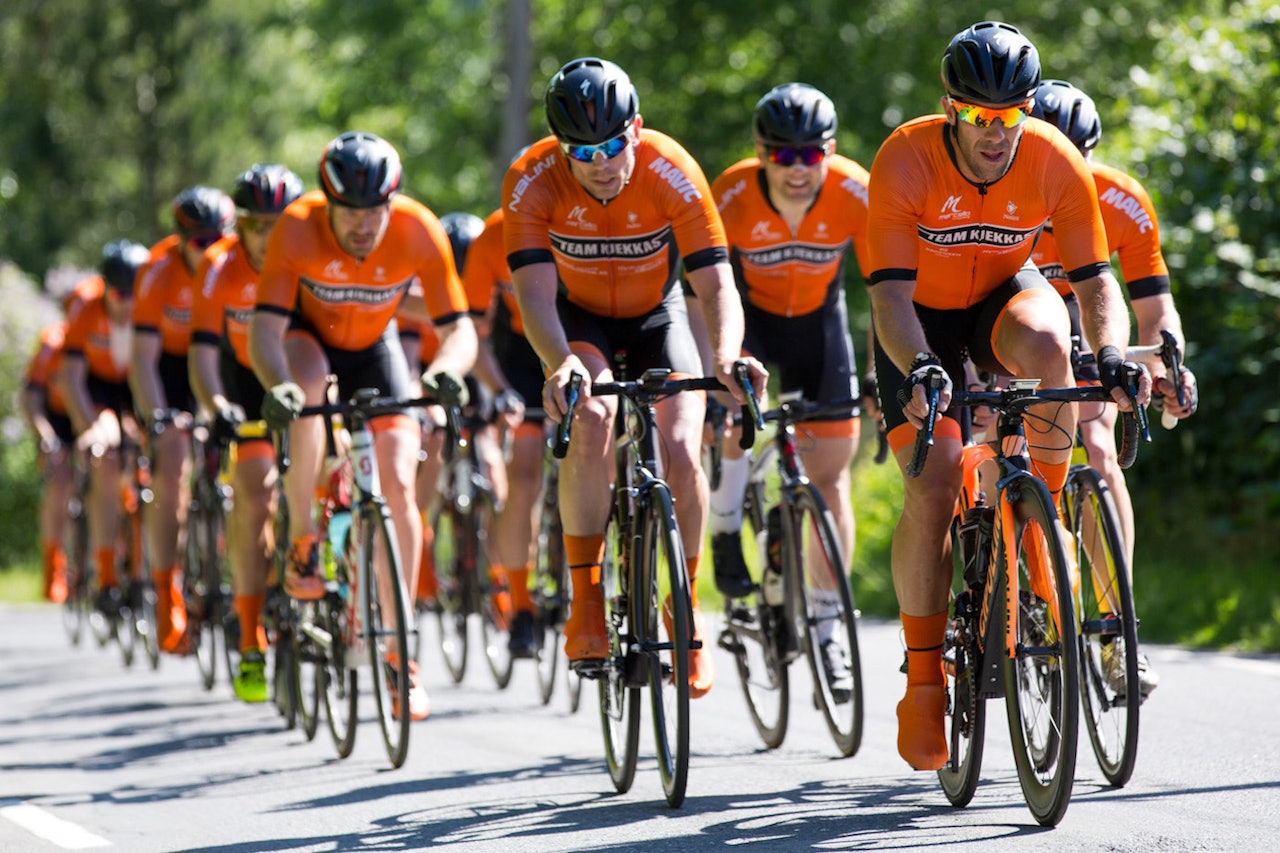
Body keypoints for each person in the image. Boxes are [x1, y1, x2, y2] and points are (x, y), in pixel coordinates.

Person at [864, 21, 1150, 771]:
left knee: (1055, 348)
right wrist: (923, 366)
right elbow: (889, 300)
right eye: (981, 118)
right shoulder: (905, 157)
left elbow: (1096, 284)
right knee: (932, 483)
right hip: (917, 320)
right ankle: (925, 679)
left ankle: (1036, 522)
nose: (997, 134)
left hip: (998, 298)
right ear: (950, 108)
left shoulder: (1053, 159)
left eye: (1012, 117)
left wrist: (1114, 351)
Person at [503, 57, 767, 698]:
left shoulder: (671, 169)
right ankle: (588, 599)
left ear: (638, 131)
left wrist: (727, 355)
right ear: (561, 147)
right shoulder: (532, 179)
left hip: (658, 313)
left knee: (682, 448)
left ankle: (685, 611)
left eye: (614, 144)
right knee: (591, 417)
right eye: (582, 150)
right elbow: (535, 296)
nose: (600, 161)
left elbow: (714, 282)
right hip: (579, 320)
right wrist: (557, 360)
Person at [249, 131, 477, 721]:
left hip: (375, 346)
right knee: (304, 399)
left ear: (391, 202)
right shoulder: (297, 227)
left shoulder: (418, 229)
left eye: (375, 211)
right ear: (328, 203)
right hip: (308, 339)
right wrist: (275, 383)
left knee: (401, 480)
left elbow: (460, 328)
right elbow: (265, 331)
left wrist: (448, 371)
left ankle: (402, 655)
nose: (363, 225)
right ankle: (303, 539)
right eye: (350, 212)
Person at [1031, 78, 1198, 697]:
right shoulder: (1002, 198)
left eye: (1079, 158)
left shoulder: (1122, 202)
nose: (1064, 173)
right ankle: (1009, 585)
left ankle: (1114, 632)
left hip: (1091, 322)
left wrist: (1169, 367)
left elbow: (1155, 311)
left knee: (1099, 451)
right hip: (1013, 317)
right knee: (1004, 441)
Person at [704, 82, 871, 699]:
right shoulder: (730, 193)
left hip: (821, 328)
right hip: (750, 325)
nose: (797, 168)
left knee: (831, 477)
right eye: (783, 155)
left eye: (810, 154)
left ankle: (828, 626)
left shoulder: (856, 190)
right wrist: (716, 366)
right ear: (761, 151)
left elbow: (889, 287)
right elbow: (704, 290)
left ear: (829, 151)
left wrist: (889, 367)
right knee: (731, 422)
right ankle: (725, 526)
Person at [189, 163, 305, 703]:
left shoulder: (306, 256)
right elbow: (204, 353)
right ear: (239, 226)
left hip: (301, 378)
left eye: (275, 224)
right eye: (255, 225)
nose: (265, 236)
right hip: (243, 385)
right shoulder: (218, 265)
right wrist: (216, 404)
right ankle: (252, 632)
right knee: (254, 491)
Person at [130, 185, 236, 654]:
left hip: (223, 362)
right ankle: (167, 590)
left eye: (219, 239)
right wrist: (158, 419)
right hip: (170, 371)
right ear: (178, 241)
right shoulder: (156, 272)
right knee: (172, 465)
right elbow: (141, 360)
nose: (210, 252)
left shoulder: (237, 262)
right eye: (198, 244)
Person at [461, 203, 549, 658]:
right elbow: (469, 333)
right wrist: (498, 388)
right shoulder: (491, 237)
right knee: (525, 474)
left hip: (587, 333)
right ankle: (520, 607)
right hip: (522, 349)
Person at [59, 240, 151, 617]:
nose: (127, 303)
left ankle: (154, 567)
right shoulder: (85, 304)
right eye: (119, 294)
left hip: (135, 385)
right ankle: (107, 575)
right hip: (97, 389)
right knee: (108, 457)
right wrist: (88, 428)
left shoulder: (150, 308)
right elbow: (70, 378)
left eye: (135, 294)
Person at [22, 319, 74, 602]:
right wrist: (46, 436)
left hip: (86, 413)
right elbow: (30, 396)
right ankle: (53, 567)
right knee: (59, 484)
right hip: (54, 419)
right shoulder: (52, 342)